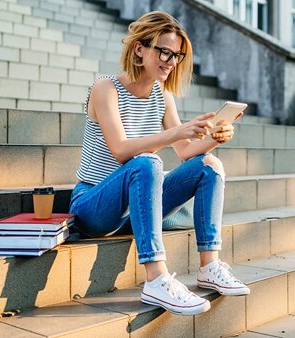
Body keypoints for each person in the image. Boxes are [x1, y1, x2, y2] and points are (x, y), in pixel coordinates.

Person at [68, 11, 250, 316]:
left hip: (134, 207)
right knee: (146, 163)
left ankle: (210, 265)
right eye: (163, 51)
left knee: (209, 165)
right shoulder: (105, 89)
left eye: (176, 54)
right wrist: (175, 131)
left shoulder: (161, 95)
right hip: (94, 205)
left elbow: (185, 150)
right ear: (139, 48)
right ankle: (155, 278)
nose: (171, 60)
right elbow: (121, 151)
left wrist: (216, 136)